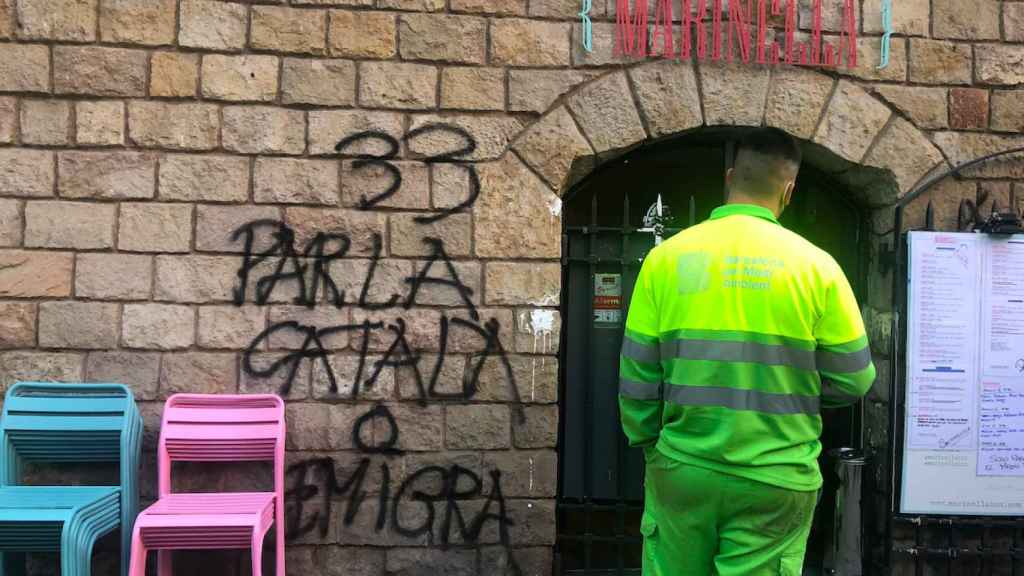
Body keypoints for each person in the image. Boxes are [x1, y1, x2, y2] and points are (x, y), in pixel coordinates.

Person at [619, 128, 876, 576]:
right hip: (776, 475)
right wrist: (794, 400)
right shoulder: (818, 268)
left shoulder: (666, 260)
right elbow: (855, 378)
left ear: (730, 177)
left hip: (684, 467)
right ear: (789, 191)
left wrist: (649, 442)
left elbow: (637, 374)